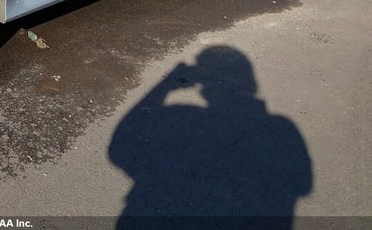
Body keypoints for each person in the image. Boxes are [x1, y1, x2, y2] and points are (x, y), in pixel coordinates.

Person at [108, 45, 312, 229]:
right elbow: (302, 185)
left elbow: (120, 146)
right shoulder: (282, 130)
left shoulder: (184, 119)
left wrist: (166, 85)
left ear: (204, 85)